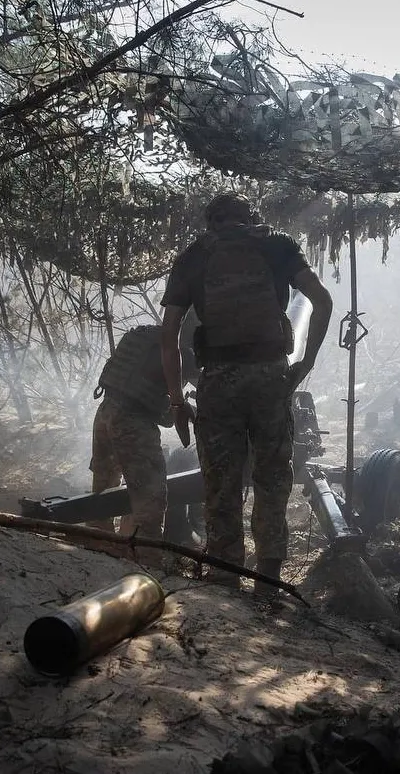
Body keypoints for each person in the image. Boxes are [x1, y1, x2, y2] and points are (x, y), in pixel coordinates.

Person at [160, 193, 333, 594]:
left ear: (212, 223)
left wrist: (176, 400)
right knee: (272, 477)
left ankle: (224, 581)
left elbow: (169, 332)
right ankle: (269, 582)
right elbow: (321, 300)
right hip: (271, 378)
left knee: (221, 481)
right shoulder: (277, 244)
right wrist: (304, 364)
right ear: (249, 217)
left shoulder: (194, 256)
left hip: (218, 381)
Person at [88, 312, 200, 566]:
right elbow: (191, 391)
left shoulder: (142, 335)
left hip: (106, 411)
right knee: (151, 498)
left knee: (102, 492)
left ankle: (96, 554)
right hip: (133, 423)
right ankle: (145, 563)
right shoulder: (180, 351)